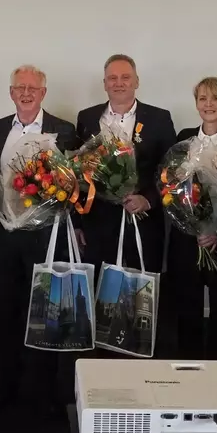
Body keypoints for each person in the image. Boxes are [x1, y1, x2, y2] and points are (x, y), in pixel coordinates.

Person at [0, 65, 81, 416]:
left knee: (47, 312)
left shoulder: (64, 130)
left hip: (45, 236)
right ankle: (6, 385)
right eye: (19, 87)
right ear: (11, 93)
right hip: (6, 235)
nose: (26, 93)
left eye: (32, 88)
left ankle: (47, 390)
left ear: (43, 92)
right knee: (5, 310)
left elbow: (72, 184)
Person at [161, 77, 217, 361]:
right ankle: (189, 375)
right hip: (186, 241)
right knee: (187, 312)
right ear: (196, 104)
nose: (209, 104)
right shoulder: (184, 138)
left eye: (215, 98)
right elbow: (172, 185)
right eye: (203, 98)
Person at [75, 54, 176, 278]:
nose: (118, 83)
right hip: (97, 225)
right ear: (104, 84)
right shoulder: (87, 118)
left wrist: (148, 199)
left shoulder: (159, 119)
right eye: (112, 78)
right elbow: (78, 173)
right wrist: (77, 223)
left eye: (125, 77)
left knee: (142, 297)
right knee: (100, 293)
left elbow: (171, 170)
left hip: (145, 224)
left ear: (136, 81)